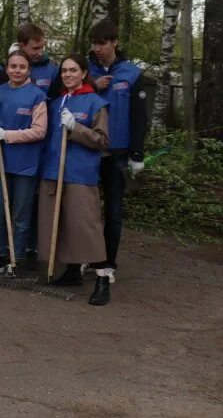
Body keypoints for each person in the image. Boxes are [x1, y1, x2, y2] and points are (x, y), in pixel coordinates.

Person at [38, 54, 112, 305]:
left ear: (83, 73)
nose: (68, 74)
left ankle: (102, 278)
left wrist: (76, 128)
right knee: (61, 225)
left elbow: (102, 141)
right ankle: (71, 271)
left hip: (80, 173)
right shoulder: (55, 102)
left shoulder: (96, 103)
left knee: (85, 227)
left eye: (73, 70)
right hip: (52, 171)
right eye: (64, 71)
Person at [0, 50, 48, 274]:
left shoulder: (37, 96)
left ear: (28, 69)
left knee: (20, 215)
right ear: (7, 68)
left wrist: (7, 135)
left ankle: (16, 259)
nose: (17, 70)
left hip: (26, 164)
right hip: (1, 162)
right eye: (13, 66)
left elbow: (39, 131)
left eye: (22, 67)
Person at [88, 19, 147, 282]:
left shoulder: (132, 74)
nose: (97, 48)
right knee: (86, 209)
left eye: (102, 43)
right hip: (88, 149)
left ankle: (108, 262)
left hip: (118, 152)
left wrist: (137, 153)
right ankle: (86, 257)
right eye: (94, 43)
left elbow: (139, 117)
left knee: (112, 210)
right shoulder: (84, 70)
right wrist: (93, 85)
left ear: (114, 43)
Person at [0, 23, 59, 95]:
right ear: (21, 46)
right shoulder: (1, 70)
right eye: (35, 48)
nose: (40, 52)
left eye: (42, 47)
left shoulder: (52, 71)